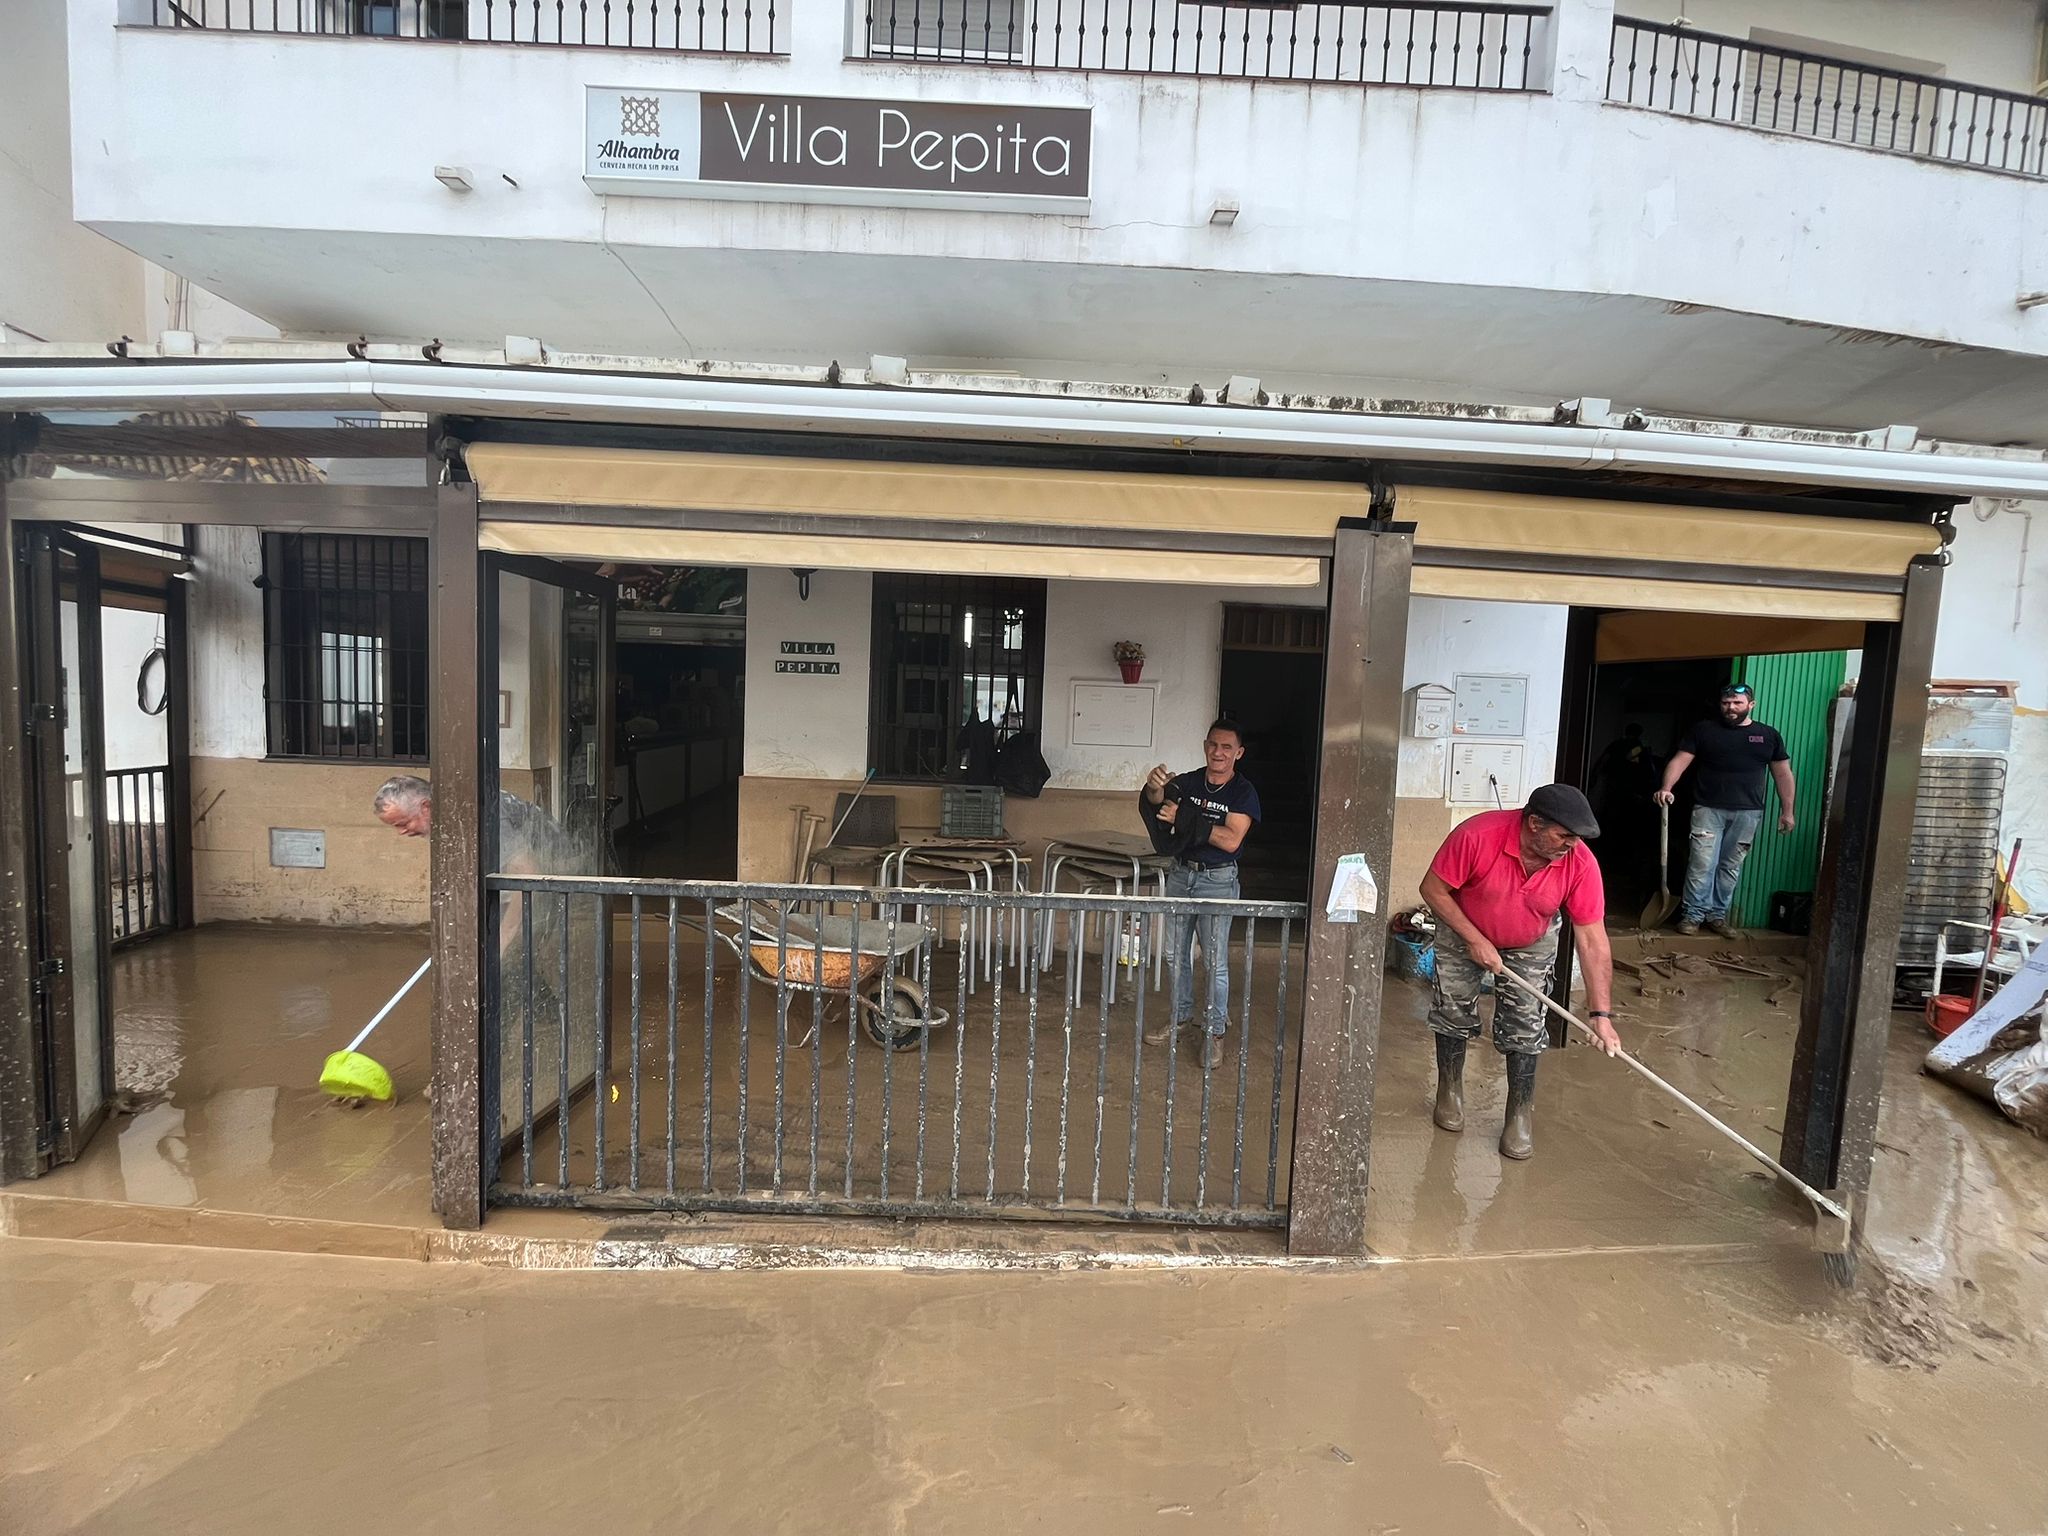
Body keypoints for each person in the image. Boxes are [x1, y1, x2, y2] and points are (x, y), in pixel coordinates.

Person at [1419, 784, 1620, 1162]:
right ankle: (1450, 1091)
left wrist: (1601, 1015)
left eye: (1577, 838)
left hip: (1531, 938)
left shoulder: (1580, 862)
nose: (1572, 845)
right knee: (1452, 1009)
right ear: (1534, 824)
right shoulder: (1477, 836)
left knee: (1525, 1024)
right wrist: (1475, 939)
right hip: (1464, 927)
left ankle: (1518, 1113)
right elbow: (1433, 889)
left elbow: (1593, 940)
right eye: (1564, 836)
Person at [1138, 719, 1261, 1069]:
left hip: (1218, 880)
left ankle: (1215, 1031)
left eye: (1226, 747)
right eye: (1212, 745)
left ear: (1239, 753)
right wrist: (1153, 788)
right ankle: (1180, 1018)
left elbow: (1231, 840)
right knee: (1175, 955)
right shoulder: (1190, 782)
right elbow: (1160, 804)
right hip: (1181, 875)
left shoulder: (1243, 792)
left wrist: (1187, 819)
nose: (1218, 752)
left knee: (1215, 962)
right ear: (1205, 746)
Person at [1653, 683, 1795, 938]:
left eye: (1737, 703)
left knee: (1730, 866)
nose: (1731, 708)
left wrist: (1787, 811)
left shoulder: (1768, 736)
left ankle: (1717, 916)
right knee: (1701, 863)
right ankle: (1693, 916)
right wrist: (1666, 787)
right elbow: (1680, 761)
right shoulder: (1704, 731)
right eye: (1726, 703)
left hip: (1748, 812)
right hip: (1708, 809)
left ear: (1751, 705)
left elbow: (1783, 774)